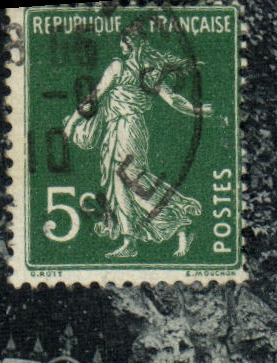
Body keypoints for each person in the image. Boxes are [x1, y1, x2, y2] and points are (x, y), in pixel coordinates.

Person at [64, 20, 209, 259]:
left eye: (123, 42)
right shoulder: (147, 71)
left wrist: (70, 124)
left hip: (126, 128)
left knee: (131, 181)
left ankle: (179, 221)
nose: (120, 46)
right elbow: (173, 99)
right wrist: (195, 110)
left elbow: (94, 98)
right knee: (122, 183)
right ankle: (132, 240)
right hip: (123, 129)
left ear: (128, 44)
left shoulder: (118, 67)